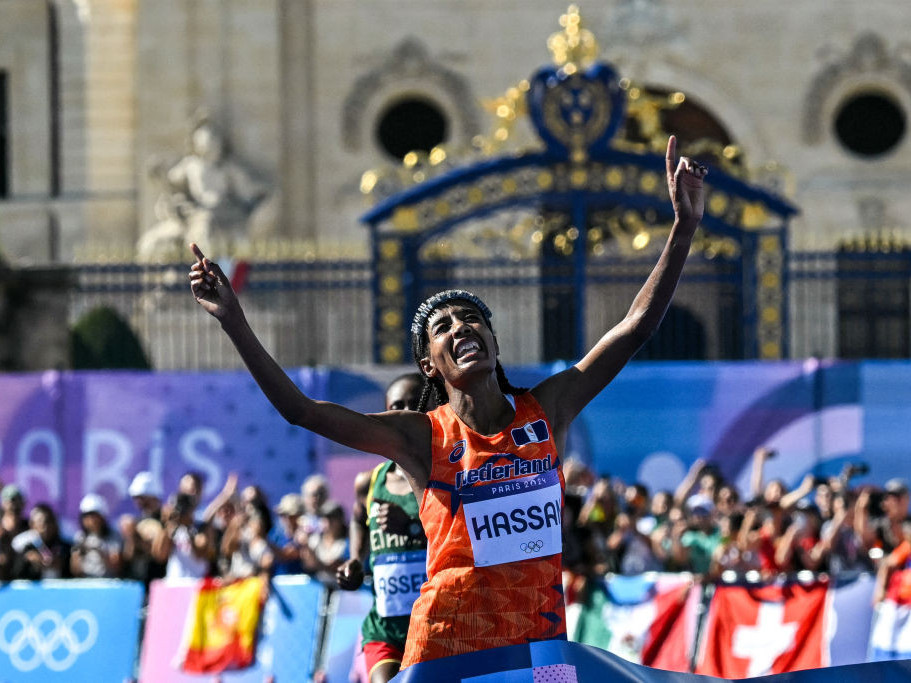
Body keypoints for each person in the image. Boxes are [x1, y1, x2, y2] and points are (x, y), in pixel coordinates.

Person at [188, 135, 706, 666]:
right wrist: (234, 321)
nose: (462, 327)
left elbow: (634, 327)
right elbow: (302, 411)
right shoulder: (421, 436)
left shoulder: (548, 409)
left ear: (494, 342)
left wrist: (682, 230)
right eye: (443, 327)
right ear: (429, 364)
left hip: (544, 650)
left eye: (472, 318)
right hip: (445, 651)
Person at [336, 373, 428, 683]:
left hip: (437, 626)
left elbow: (464, 533)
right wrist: (355, 559)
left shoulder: (443, 475)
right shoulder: (370, 481)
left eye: (414, 404)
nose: (404, 413)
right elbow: (358, 518)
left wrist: (413, 526)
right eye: (396, 406)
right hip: (385, 627)